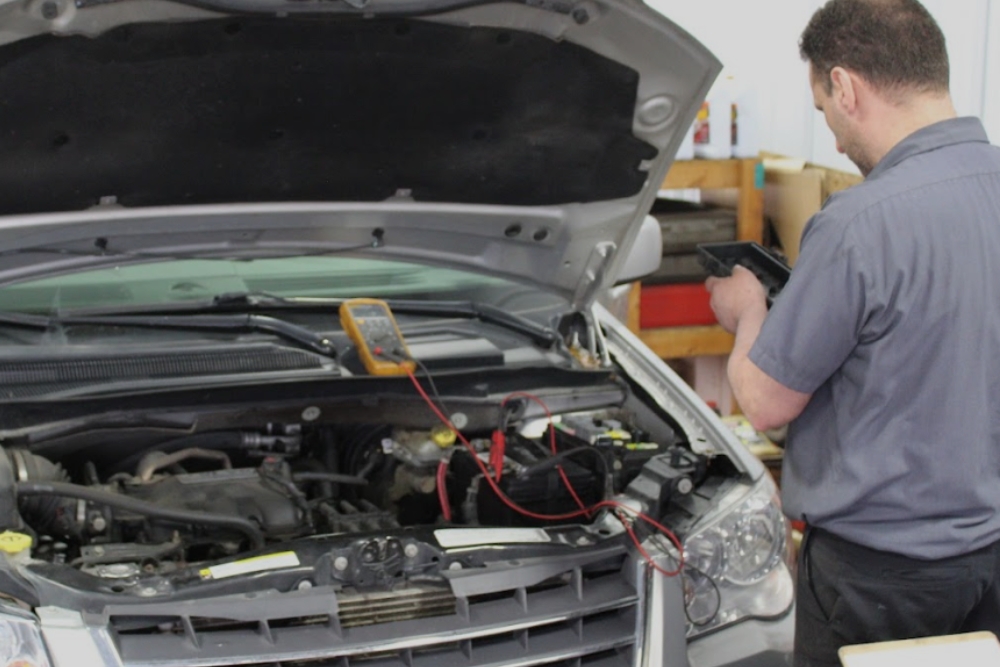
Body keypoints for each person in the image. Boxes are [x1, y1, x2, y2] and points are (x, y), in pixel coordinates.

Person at [705, 0, 1000, 664]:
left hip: (878, 579)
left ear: (845, 87)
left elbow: (765, 402)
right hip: (987, 558)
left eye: (823, 113)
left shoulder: (859, 222)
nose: (834, 138)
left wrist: (749, 310)